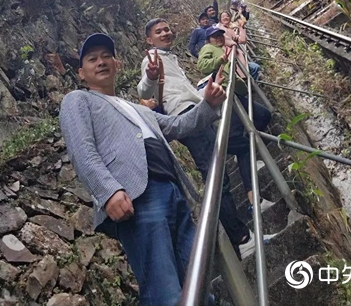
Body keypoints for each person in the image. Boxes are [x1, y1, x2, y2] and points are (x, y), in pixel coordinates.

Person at [59, 33, 226, 306]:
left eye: (106, 57)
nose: (100, 62)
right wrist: (108, 191)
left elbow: (178, 126)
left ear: (117, 64)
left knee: (198, 284)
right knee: (166, 292)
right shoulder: (78, 100)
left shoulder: (139, 109)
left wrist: (208, 104)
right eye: (92, 59)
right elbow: (81, 150)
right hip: (138, 196)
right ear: (81, 73)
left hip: (173, 191)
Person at [137, 19, 264, 259]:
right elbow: (144, 89)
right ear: (148, 39)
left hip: (194, 112)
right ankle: (241, 239)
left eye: (167, 28)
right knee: (216, 175)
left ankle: (240, 237)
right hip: (185, 115)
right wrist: (151, 77)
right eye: (158, 31)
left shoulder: (169, 57)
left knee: (221, 167)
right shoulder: (151, 60)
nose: (165, 32)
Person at [197, 26, 273, 213]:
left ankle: (250, 158)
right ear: (208, 40)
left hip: (236, 94)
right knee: (241, 139)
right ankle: (253, 200)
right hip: (227, 98)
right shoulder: (208, 49)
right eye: (214, 37)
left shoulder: (225, 47)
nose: (218, 38)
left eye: (219, 35)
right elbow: (202, 66)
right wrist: (220, 59)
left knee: (262, 116)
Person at [217, 11, 261, 81]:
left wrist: (241, 27)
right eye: (223, 17)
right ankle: (248, 86)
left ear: (230, 18)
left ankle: (250, 85)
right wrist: (233, 44)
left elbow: (242, 40)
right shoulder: (219, 29)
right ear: (220, 20)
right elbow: (226, 40)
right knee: (250, 70)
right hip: (229, 57)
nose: (225, 18)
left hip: (237, 57)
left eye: (227, 16)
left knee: (255, 67)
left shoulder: (230, 30)